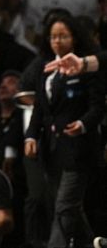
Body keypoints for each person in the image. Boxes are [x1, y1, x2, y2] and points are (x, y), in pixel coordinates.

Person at [24, 15, 103, 248]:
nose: (57, 41)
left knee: (65, 205)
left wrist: (83, 124)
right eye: (53, 37)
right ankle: (93, 244)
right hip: (52, 148)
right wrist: (31, 135)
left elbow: (97, 107)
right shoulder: (46, 69)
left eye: (63, 36)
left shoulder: (87, 67)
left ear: (75, 38)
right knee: (69, 207)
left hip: (78, 148)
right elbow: (39, 109)